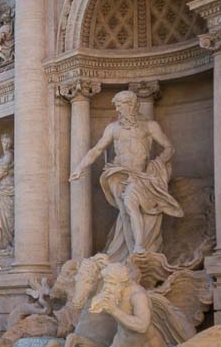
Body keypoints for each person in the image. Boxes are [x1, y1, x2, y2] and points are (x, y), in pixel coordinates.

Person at [68, 89, 183, 260]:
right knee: (127, 205)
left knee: (130, 204)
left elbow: (169, 147)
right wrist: (80, 167)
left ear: (131, 105)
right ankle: (136, 247)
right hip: (118, 174)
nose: (117, 109)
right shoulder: (113, 128)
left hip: (141, 175)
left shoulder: (149, 126)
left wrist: (157, 164)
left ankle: (128, 250)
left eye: (120, 105)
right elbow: (97, 150)